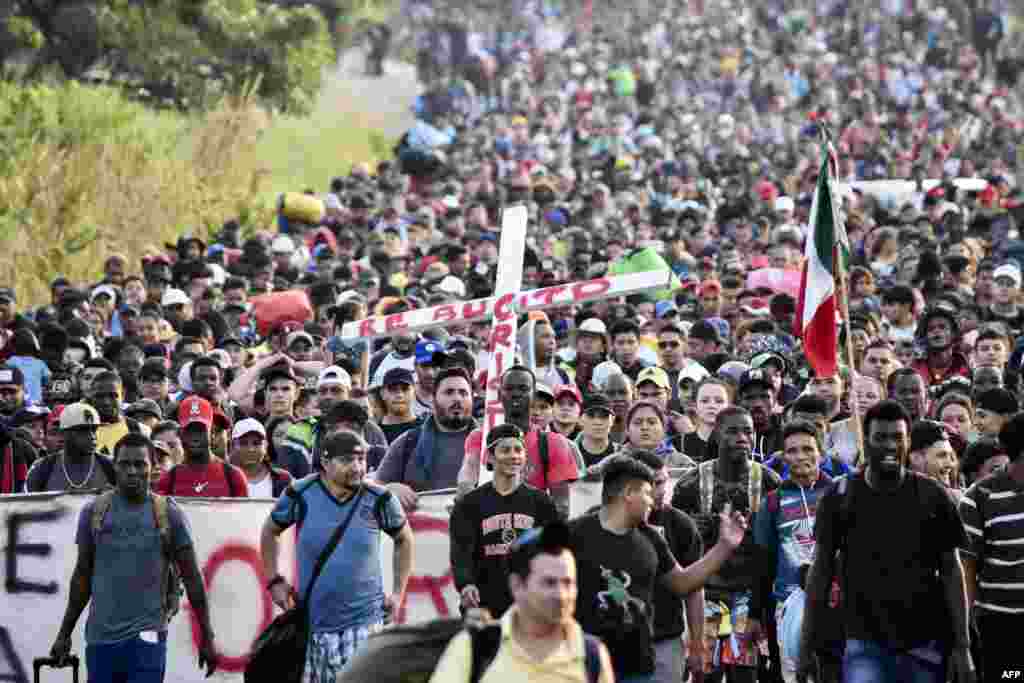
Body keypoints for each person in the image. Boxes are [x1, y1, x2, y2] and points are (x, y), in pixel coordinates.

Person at [799, 400, 974, 683]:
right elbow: (820, 573)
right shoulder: (840, 497)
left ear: (908, 442)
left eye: (898, 437)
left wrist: (962, 646)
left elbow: (952, 572)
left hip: (926, 642)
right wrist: (807, 645)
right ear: (866, 441)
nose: (890, 445)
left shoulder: (933, 496)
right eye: (881, 437)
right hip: (863, 642)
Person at [49, 432, 217, 682]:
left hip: (148, 637)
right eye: (124, 464)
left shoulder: (169, 514)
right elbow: (82, 577)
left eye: (140, 464)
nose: (132, 471)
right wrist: (64, 633)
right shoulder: (94, 512)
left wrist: (207, 636)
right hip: (101, 640)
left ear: (153, 467)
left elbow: (193, 578)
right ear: (114, 467)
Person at [569, 454, 749, 683]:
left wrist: (724, 547)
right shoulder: (575, 533)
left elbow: (683, 583)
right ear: (628, 493)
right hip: (588, 659)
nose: (653, 499)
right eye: (647, 491)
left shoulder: (652, 538)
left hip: (641, 663)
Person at [261, 430, 414, 683]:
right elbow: (270, 531)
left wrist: (398, 594)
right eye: (346, 460)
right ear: (325, 462)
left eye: (361, 459)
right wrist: (274, 580)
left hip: (365, 625)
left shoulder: (379, 499)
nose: (357, 467)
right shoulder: (300, 493)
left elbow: (404, 539)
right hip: (314, 628)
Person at [671, 407, 782, 682]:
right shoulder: (690, 484)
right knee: (706, 673)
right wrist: (693, 531)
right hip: (706, 594)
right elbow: (672, 548)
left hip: (749, 596)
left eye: (748, 431)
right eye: (733, 431)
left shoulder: (769, 482)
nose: (742, 438)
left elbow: (779, 546)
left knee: (744, 674)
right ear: (717, 434)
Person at [429, 520, 615, 683]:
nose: (561, 594)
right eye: (549, 583)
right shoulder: (473, 648)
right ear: (517, 585)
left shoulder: (592, 655)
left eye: (568, 583)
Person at [449, 423, 559, 619]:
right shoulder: (469, 504)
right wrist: (466, 585)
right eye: (505, 450)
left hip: (529, 606)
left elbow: (551, 552)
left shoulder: (542, 502)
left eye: (518, 450)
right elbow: (461, 553)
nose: (513, 455)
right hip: (483, 606)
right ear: (490, 457)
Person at [754, 420, 833, 683]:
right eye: (792, 450)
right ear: (783, 457)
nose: (800, 456)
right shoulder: (772, 502)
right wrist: (756, 614)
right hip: (789, 604)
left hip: (837, 602)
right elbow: (763, 562)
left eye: (808, 449)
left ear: (821, 453)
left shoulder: (840, 493)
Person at [458, 366, 580, 518]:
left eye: (523, 388)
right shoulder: (480, 437)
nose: (515, 394)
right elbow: (469, 468)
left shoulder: (554, 443)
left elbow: (562, 507)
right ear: (500, 394)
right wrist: (465, 488)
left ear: (533, 395)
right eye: (509, 388)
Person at [959, 411, 1024, 683]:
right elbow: (967, 569)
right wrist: (967, 627)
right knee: (1011, 678)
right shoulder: (978, 498)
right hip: (1002, 628)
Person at [630, 449, 705, 683]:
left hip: (665, 641)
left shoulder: (681, 525)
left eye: (664, 481)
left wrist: (697, 643)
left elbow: (694, 588)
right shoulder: (601, 522)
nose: (662, 489)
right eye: (655, 483)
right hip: (616, 642)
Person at [375, 367, 476, 506]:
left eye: (463, 393)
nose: (457, 398)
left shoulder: (489, 444)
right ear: (433, 400)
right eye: (449, 392)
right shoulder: (408, 442)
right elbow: (375, 489)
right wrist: (390, 489)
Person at [155, 396, 249, 498]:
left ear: (211, 432)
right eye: (189, 430)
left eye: (200, 430)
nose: (195, 437)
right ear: (181, 434)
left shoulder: (233, 476)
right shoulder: (168, 480)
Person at [26, 402, 117, 492]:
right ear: (64, 434)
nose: (92, 436)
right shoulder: (42, 469)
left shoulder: (111, 466)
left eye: (94, 430)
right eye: (83, 430)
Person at [230, 418, 293, 498]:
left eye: (256, 443)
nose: (251, 449)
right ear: (233, 446)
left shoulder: (283, 479)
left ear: (266, 445)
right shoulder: (224, 478)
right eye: (243, 443)